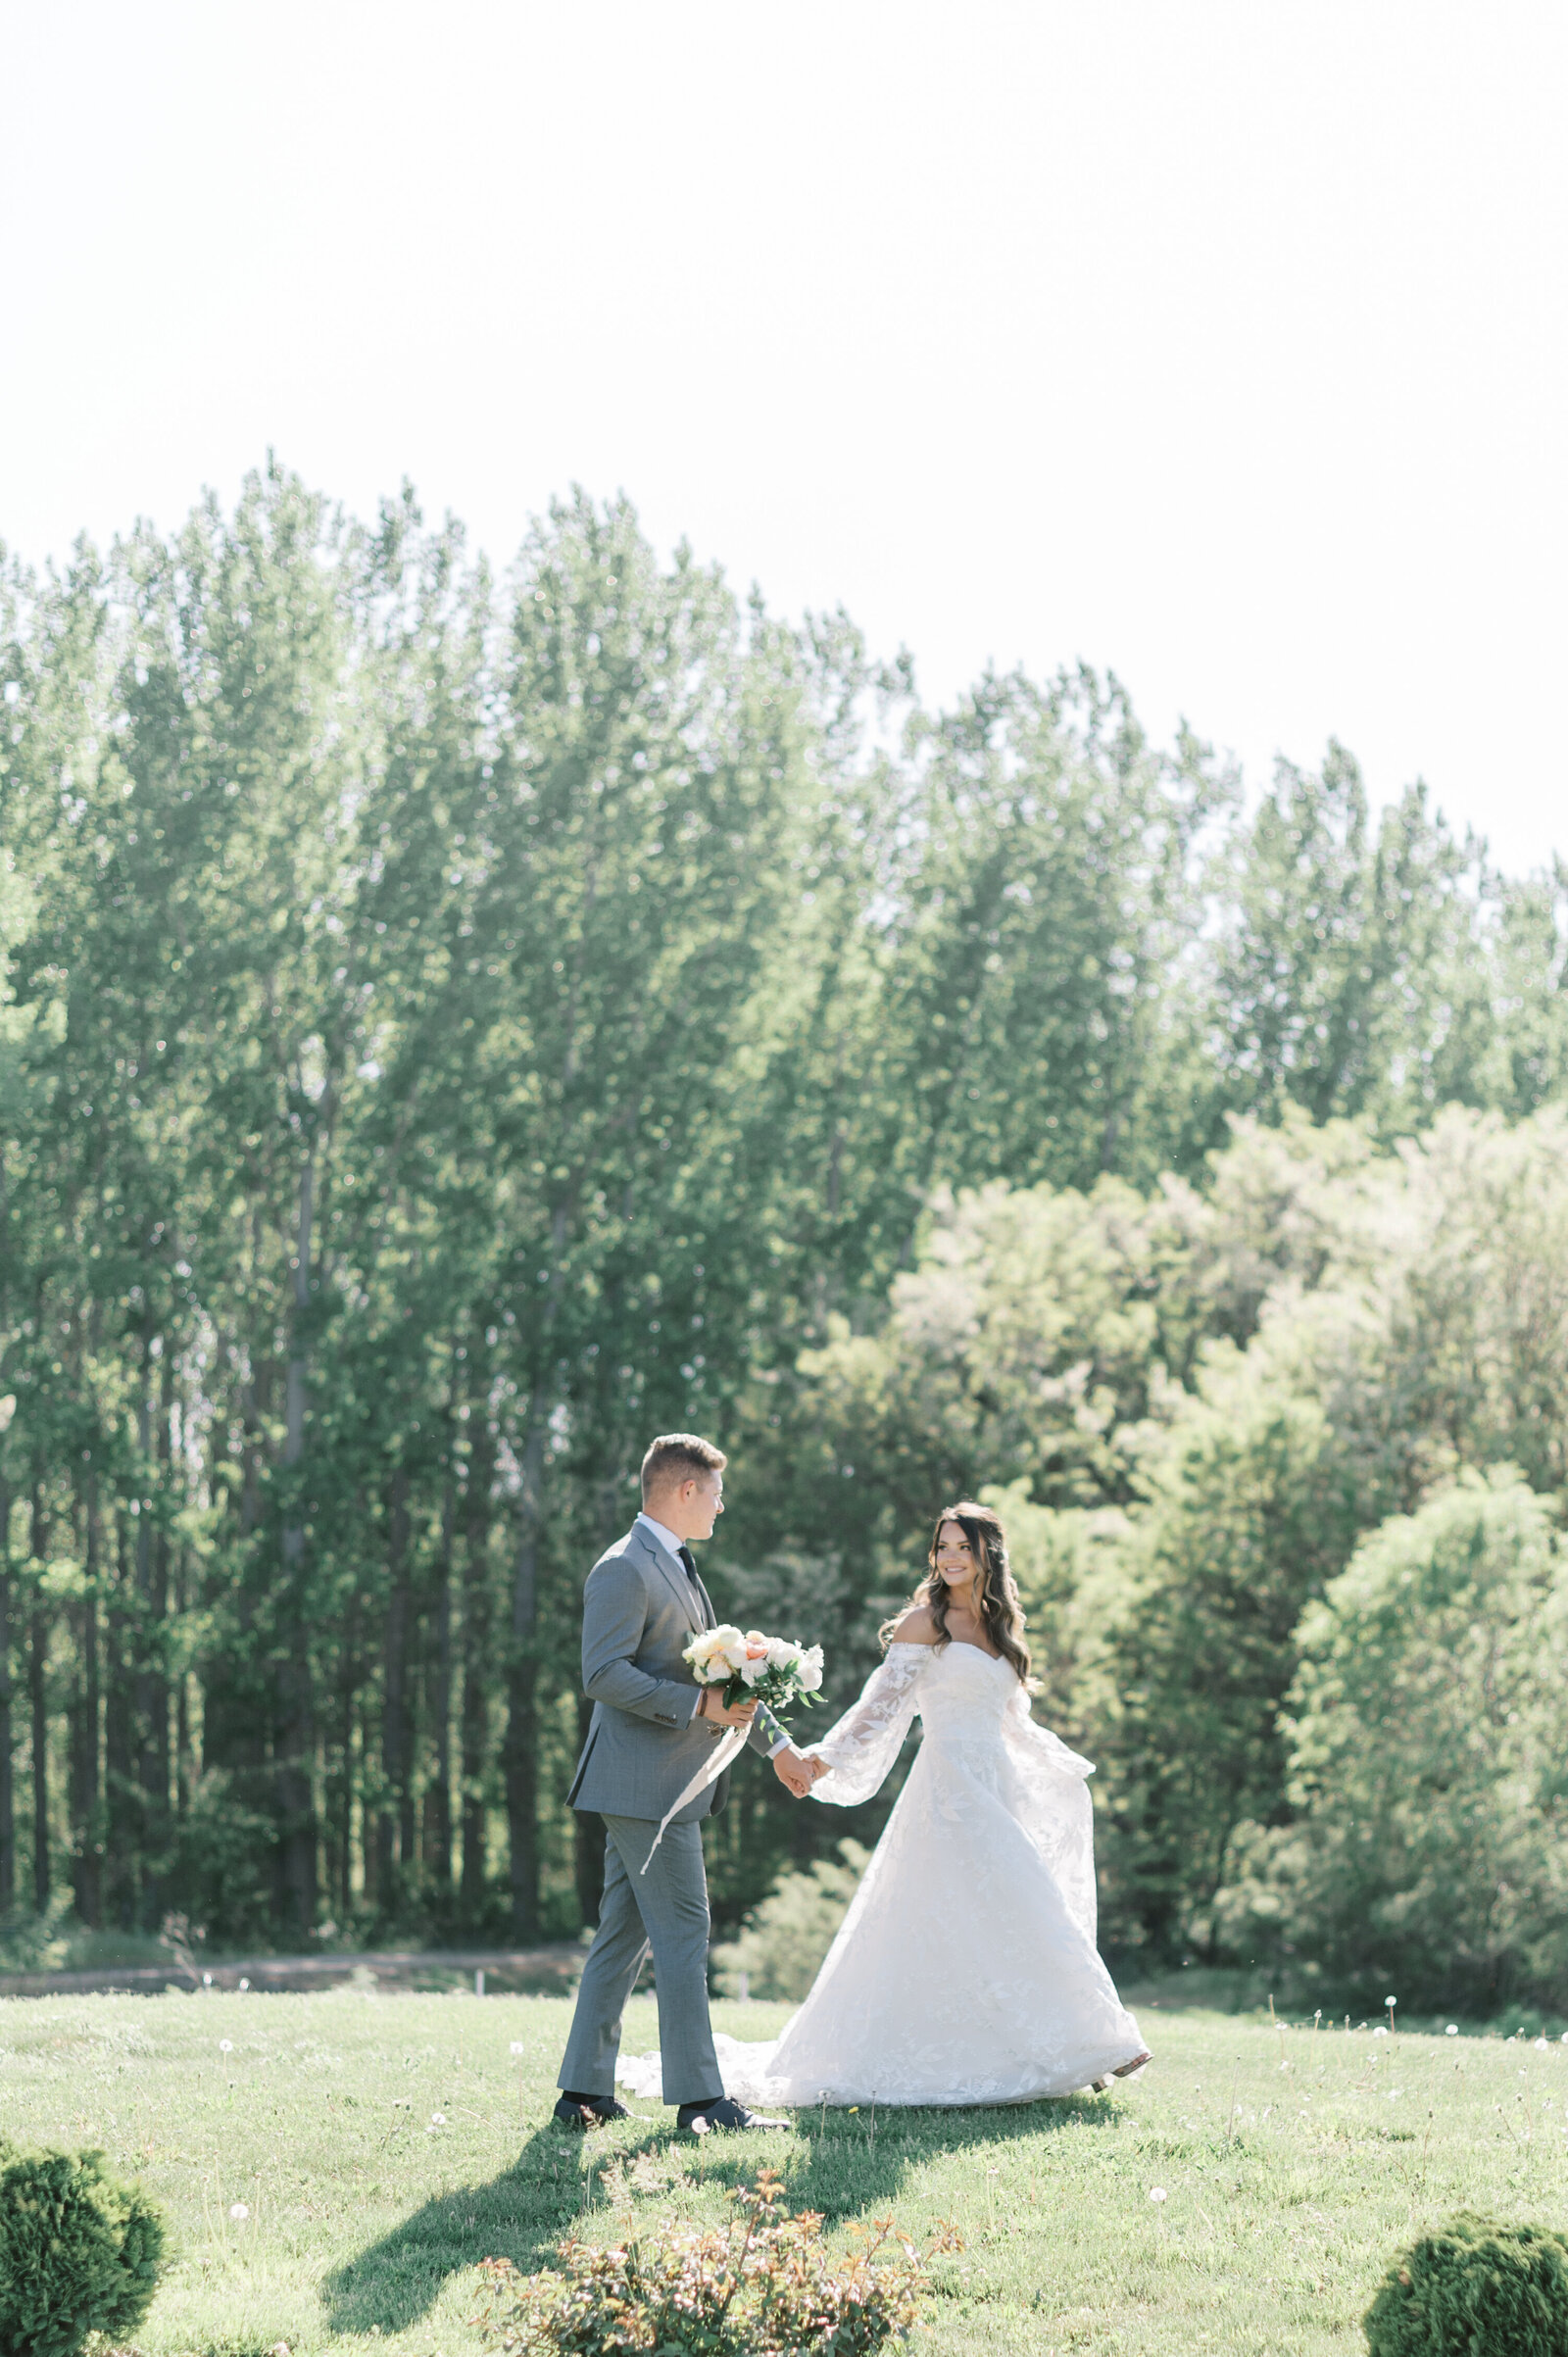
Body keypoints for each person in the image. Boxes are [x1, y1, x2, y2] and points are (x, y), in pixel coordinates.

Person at [620, 1500, 1152, 2109]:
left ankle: (1065, 2048)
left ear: (987, 1555)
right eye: (943, 1547)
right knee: (1030, 1903)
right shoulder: (925, 1624)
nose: (950, 1557)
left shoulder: (1003, 1631)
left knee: (1000, 1919)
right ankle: (1105, 2040)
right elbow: (880, 1709)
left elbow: (1012, 1720)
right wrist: (824, 1757)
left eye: (962, 1547)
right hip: (950, 1792)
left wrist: (1060, 1761)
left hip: (997, 1785)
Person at [553, 1432, 799, 2134]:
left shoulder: (678, 1564)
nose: (724, 1505)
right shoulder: (623, 1568)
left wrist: (777, 1744)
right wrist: (696, 1706)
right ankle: (701, 2100)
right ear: (685, 1490)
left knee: (622, 1935)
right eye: (717, 1492)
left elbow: (723, 1676)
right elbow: (602, 1672)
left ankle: (583, 2092)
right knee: (686, 1928)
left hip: (668, 1783)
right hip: (644, 1784)